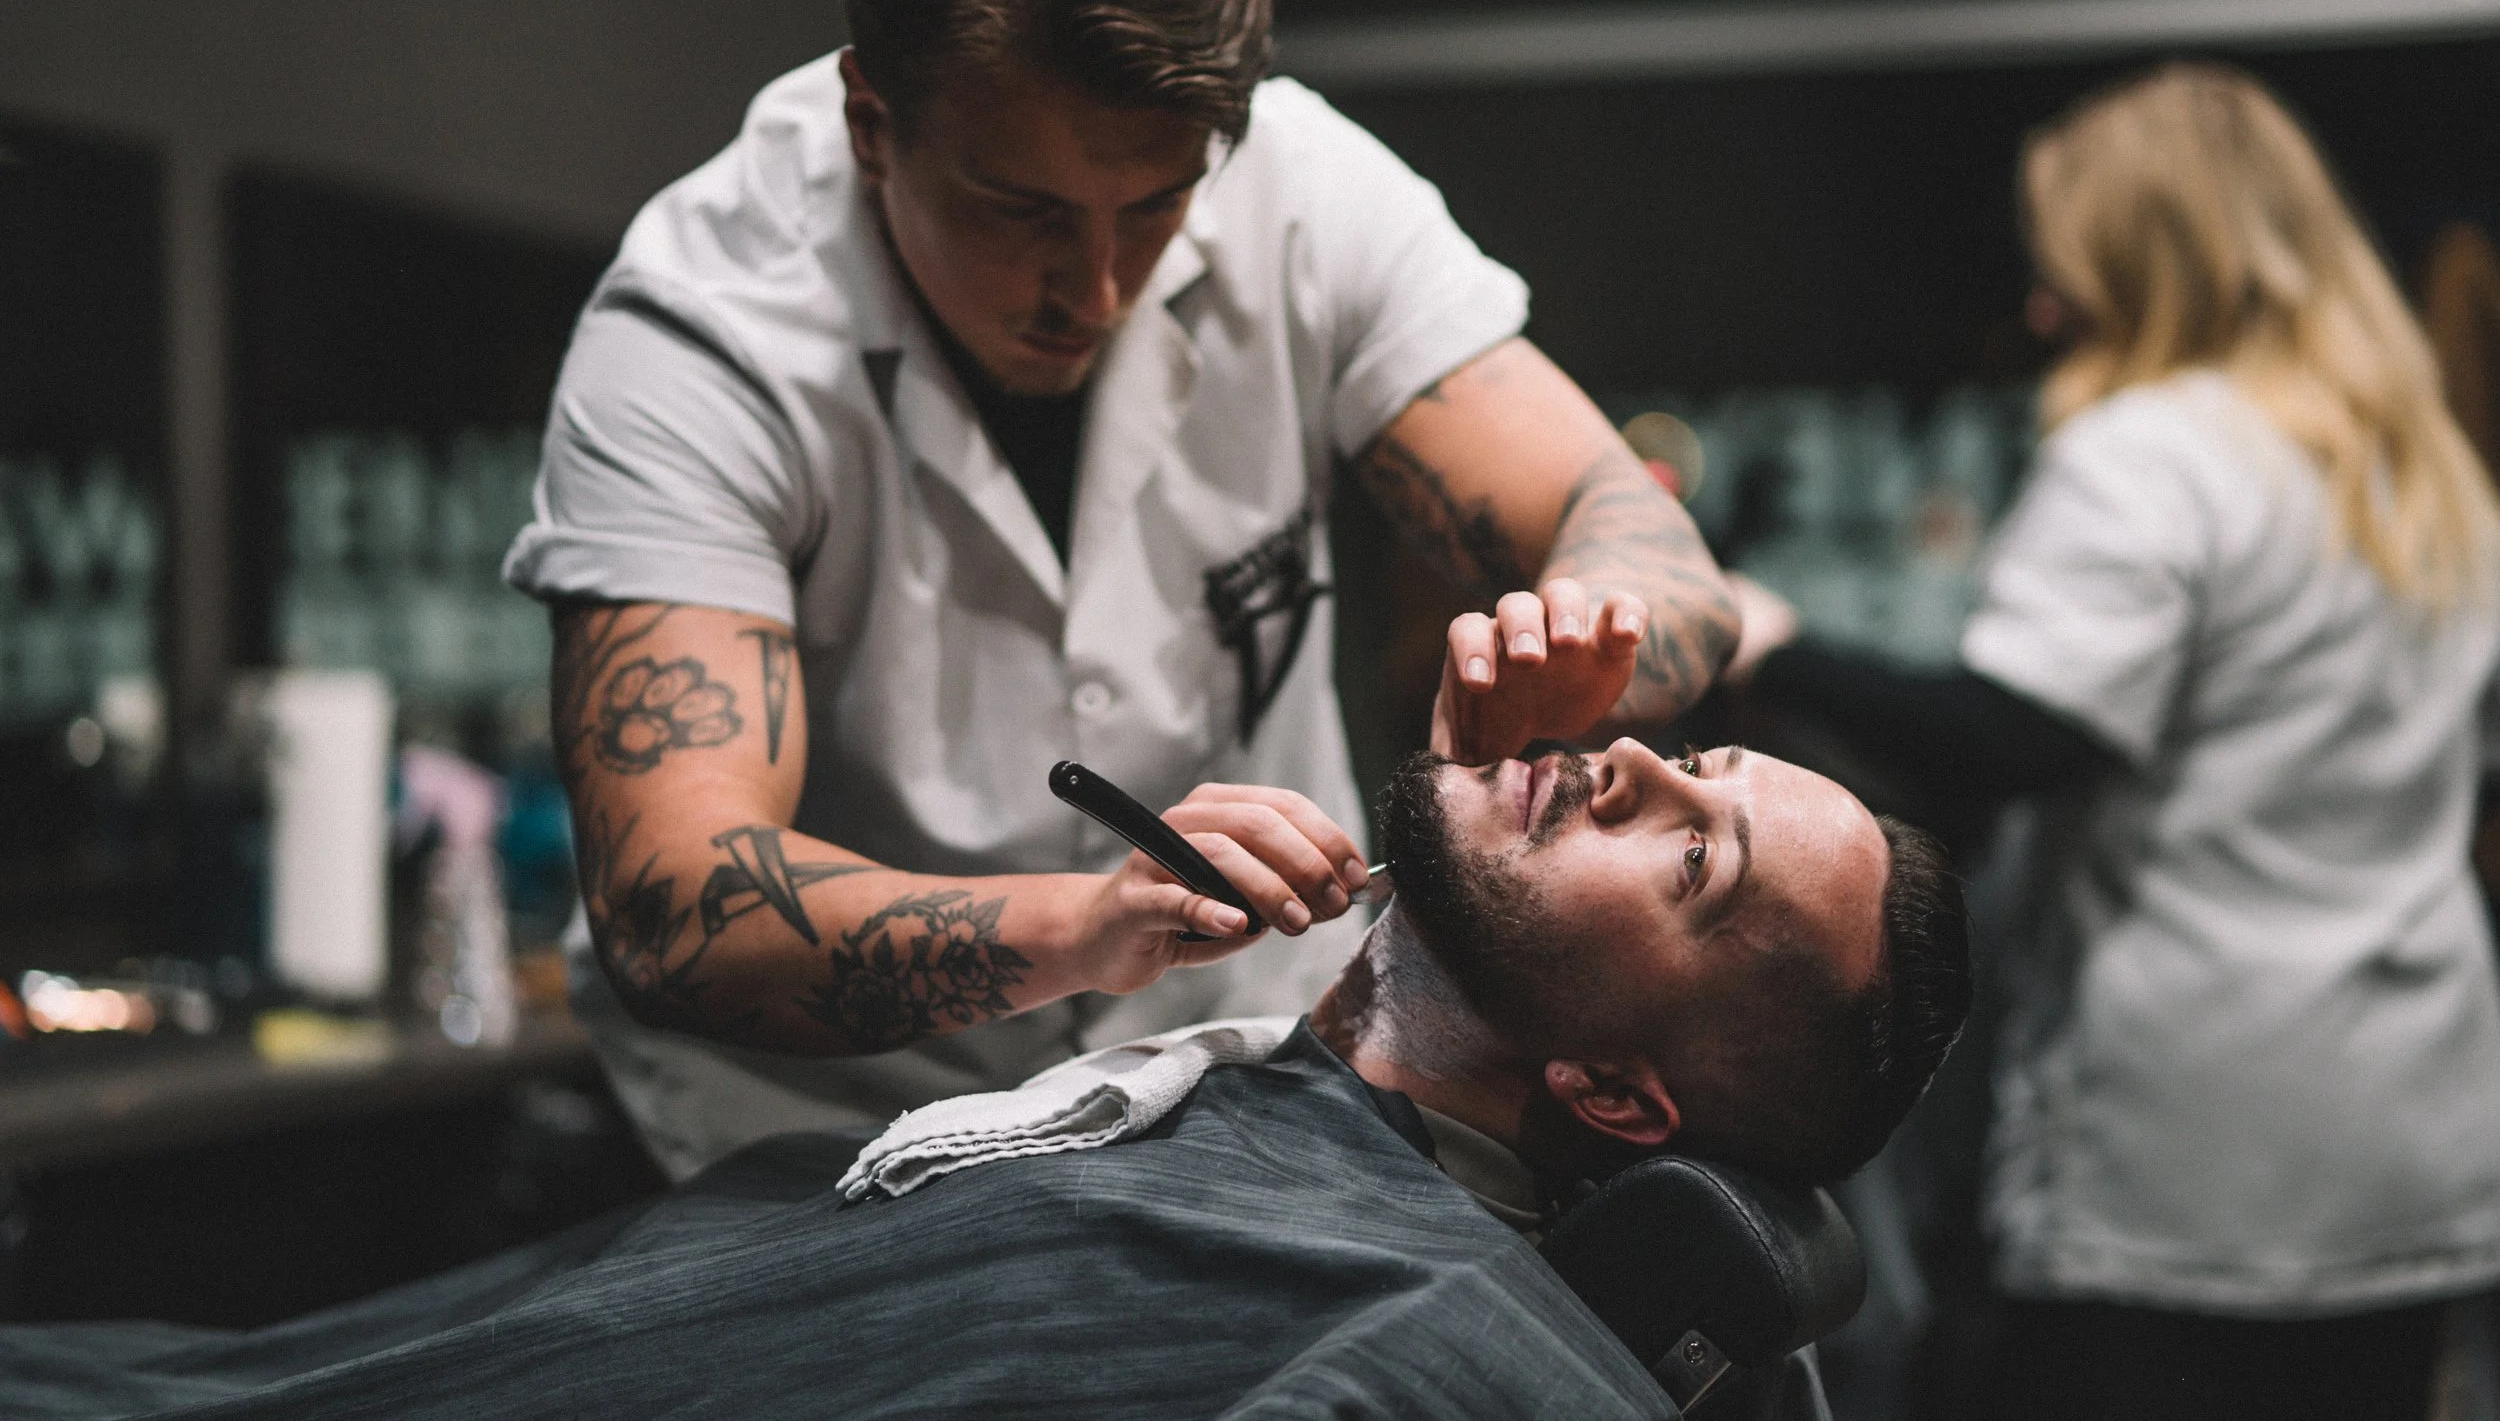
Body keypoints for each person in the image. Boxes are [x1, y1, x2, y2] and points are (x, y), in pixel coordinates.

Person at [500, 0, 1737, 1178]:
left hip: (1250, 1059)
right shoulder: (698, 335)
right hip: (819, 1123)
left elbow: (1646, 544)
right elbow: (676, 903)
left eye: (1151, 207)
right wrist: (1084, 923)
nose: (1090, 290)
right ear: (870, 118)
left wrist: (1577, 643)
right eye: (1018, 210)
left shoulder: (1304, 190)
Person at [0, 739, 1969, 1420]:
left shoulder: (1352, 1319)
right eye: (1700, 767)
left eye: (1687, 862)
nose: (1632, 762)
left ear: (1620, 1103)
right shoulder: (1294, 1154)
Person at [1724, 63, 2500, 1421]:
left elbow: (2020, 736)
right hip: (2411, 1117)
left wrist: (1777, 643)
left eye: (2066, 266)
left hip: (2200, 1137)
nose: (2039, 306)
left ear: (2148, 261)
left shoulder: (2156, 452)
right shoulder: (2417, 464)